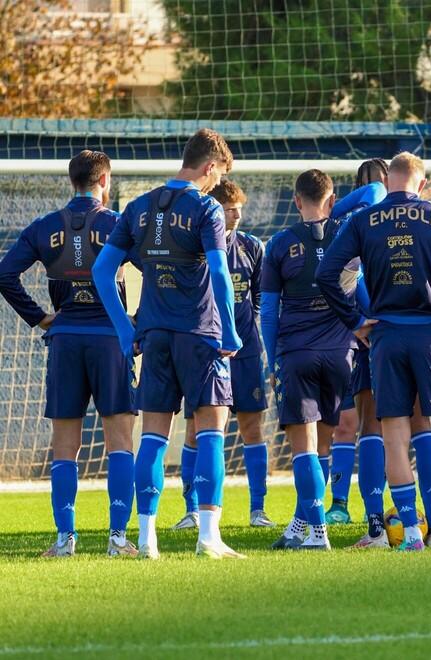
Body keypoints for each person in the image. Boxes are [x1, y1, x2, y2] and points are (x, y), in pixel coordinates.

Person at [316, 152, 431, 551]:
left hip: (385, 338)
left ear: (388, 182)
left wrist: (355, 321)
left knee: (395, 437)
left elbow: (326, 274)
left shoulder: (363, 220)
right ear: (422, 184)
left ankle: (412, 536)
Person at [93, 128, 244, 559]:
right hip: (200, 334)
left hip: (154, 335)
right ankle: (208, 537)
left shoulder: (138, 207)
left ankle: (146, 538)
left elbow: (102, 271)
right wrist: (230, 330)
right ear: (210, 166)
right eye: (219, 175)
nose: (217, 183)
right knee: (211, 431)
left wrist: (125, 330)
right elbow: (219, 273)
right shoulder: (207, 209)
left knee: (154, 437)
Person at [0, 150, 137, 558]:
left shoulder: (45, 227)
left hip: (65, 340)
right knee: (120, 440)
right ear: (105, 181)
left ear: (71, 181)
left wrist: (40, 318)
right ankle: (117, 539)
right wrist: (138, 320)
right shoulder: (118, 224)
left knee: (64, 443)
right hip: (109, 339)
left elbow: (5, 274)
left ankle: (65, 540)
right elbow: (156, 269)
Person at [262, 169, 356, 551]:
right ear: (332, 200)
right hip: (341, 354)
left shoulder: (280, 243)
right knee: (323, 448)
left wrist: (273, 362)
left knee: (304, 448)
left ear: (296, 201)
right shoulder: (348, 234)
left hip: (296, 354)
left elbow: (268, 313)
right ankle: (300, 525)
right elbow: (373, 191)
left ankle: (318, 534)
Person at [171, 179, 274, 530]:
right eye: (229, 209)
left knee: (252, 427)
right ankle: (191, 509)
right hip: (205, 351)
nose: (236, 215)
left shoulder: (251, 247)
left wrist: (243, 329)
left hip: (244, 351)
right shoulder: (195, 247)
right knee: (195, 430)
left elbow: (258, 297)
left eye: (239, 209)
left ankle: (258, 509)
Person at [324, 158, 388, 526]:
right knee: (371, 423)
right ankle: (367, 508)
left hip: (350, 330)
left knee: (348, 423)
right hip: (368, 331)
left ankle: (342, 505)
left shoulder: (348, 222)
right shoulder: (377, 205)